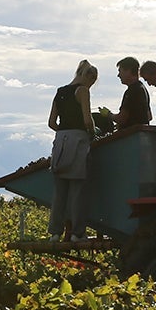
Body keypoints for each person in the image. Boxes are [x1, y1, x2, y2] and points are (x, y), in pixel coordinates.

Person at [48, 60, 96, 242]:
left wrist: (63, 133)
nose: (91, 85)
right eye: (92, 81)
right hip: (78, 141)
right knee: (78, 190)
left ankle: (55, 233)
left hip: (60, 142)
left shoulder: (60, 92)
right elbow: (87, 119)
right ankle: (77, 233)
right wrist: (92, 133)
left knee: (60, 192)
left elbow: (51, 123)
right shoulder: (82, 90)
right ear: (88, 77)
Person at [112, 56, 151, 129]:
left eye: (120, 71)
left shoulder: (132, 91)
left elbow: (121, 119)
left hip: (130, 135)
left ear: (128, 71)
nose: (118, 75)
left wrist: (108, 115)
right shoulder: (142, 89)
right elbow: (149, 116)